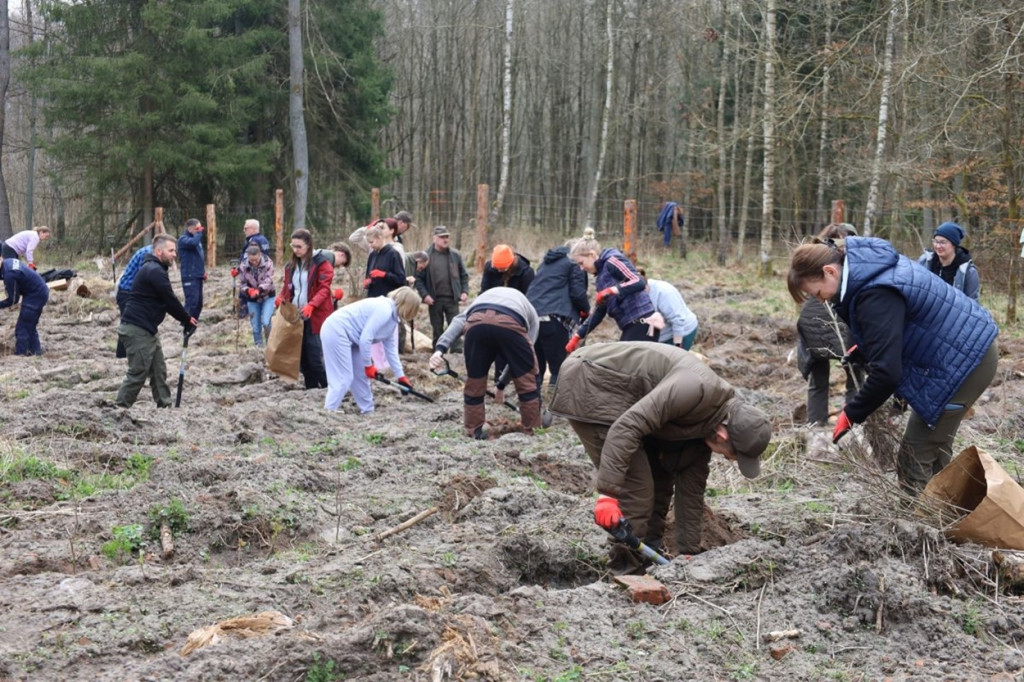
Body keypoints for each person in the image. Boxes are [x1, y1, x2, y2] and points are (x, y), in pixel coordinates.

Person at [787, 235, 999, 495]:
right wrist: (863, 348)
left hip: (965, 361)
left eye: (816, 292)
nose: (819, 300)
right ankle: (951, 513)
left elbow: (887, 372)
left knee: (916, 452)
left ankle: (918, 525)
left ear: (829, 271)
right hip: (958, 353)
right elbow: (894, 329)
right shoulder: (868, 270)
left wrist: (851, 413)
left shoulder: (873, 292)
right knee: (933, 446)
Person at [549, 342, 771, 574]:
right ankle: (625, 571)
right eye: (733, 456)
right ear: (723, 434)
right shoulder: (695, 389)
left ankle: (647, 554)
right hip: (592, 380)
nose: (728, 460)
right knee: (638, 487)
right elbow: (626, 428)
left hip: (624, 398)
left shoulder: (708, 426)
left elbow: (691, 491)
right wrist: (608, 495)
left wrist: (689, 553)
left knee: (661, 477)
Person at [429, 287, 541, 439]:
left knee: (474, 381)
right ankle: (532, 431)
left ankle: (474, 431)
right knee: (528, 380)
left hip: (477, 323)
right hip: (511, 322)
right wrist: (501, 385)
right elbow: (520, 364)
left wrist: (439, 350)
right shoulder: (532, 315)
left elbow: (458, 321)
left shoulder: (482, 298)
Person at [115, 235, 197, 407]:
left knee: (158, 370)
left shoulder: (156, 268)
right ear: (159, 251)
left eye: (175, 250)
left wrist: (185, 320)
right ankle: (119, 408)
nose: (175, 254)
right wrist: (186, 319)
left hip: (148, 329)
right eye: (171, 250)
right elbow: (170, 300)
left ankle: (165, 404)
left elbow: (166, 301)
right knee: (138, 371)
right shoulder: (154, 271)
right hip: (137, 329)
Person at [794, 224, 865, 426]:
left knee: (818, 380)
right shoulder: (847, 263)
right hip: (838, 330)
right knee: (855, 375)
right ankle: (853, 424)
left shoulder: (812, 262)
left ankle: (816, 425)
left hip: (815, 332)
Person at [321, 287, 422, 413]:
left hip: (352, 338)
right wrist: (368, 365)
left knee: (361, 377)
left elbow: (391, 351)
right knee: (343, 378)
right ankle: (328, 412)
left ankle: (368, 412)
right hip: (336, 330)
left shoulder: (392, 319)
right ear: (409, 307)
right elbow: (365, 339)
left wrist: (401, 376)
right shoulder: (384, 309)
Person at [525, 240, 590, 405]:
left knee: (536, 368)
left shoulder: (545, 264)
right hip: (554, 319)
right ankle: (554, 405)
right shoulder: (573, 264)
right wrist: (586, 311)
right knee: (558, 366)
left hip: (530, 318)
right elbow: (578, 294)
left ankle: (533, 404)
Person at [566, 237, 658, 350]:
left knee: (626, 365)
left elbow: (638, 281)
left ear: (592, 254)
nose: (581, 268)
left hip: (643, 321)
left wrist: (611, 290)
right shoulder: (600, 279)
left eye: (581, 263)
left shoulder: (612, 260)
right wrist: (578, 336)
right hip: (630, 325)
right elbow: (599, 311)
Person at [276, 228, 334, 389]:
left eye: (299, 247)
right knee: (302, 358)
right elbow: (288, 287)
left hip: (316, 316)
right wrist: (281, 297)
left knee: (316, 357)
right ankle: (311, 389)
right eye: (293, 246)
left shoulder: (321, 263)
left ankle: (330, 387)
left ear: (308, 245)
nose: (295, 250)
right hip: (297, 316)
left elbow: (324, 289)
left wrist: (311, 305)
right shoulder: (291, 265)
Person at [415, 226, 470, 347]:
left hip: (452, 298)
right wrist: (425, 295)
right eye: (442, 237)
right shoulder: (425, 256)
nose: (445, 240)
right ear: (434, 238)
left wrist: (465, 291)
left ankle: (457, 350)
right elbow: (418, 279)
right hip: (434, 300)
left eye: (447, 237)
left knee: (456, 326)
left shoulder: (455, 255)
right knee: (437, 328)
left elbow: (464, 276)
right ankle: (438, 351)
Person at [916, 221, 980, 300]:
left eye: (943, 242)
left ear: (954, 244)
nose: (938, 246)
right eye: (935, 241)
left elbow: (972, 305)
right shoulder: (924, 262)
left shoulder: (968, 272)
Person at [638, 269, 699, 350]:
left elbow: (678, 320)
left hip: (682, 332)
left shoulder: (663, 292)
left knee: (672, 360)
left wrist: (678, 347)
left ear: (646, 286)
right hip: (660, 334)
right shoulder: (631, 291)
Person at [0, 257, 50, 355]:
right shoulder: (7, 262)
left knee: (22, 328)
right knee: (29, 325)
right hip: (39, 290)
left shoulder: (9, 274)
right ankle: (36, 353)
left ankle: (19, 356)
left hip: (35, 295)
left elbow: (13, 299)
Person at [115, 244, 153, 358]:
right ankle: (123, 355)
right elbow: (145, 277)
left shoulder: (151, 252)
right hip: (127, 292)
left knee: (130, 324)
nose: (174, 254)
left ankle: (126, 354)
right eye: (171, 251)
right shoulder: (148, 254)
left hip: (130, 291)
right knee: (128, 325)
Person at [238, 244, 276, 348]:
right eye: (251, 260)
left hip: (268, 296)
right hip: (252, 299)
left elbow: (269, 280)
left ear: (260, 255)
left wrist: (259, 289)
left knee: (266, 321)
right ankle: (258, 347)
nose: (254, 262)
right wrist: (248, 290)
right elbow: (242, 283)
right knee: (255, 325)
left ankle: (270, 345)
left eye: (256, 260)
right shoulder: (243, 266)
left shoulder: (268, 263)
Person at [362, 224, 406, 298]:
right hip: (373, 298)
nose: (370, 245)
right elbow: (368, 276)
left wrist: (385, 275)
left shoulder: (393, 254)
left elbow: (401, 279)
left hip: (387, 299)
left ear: (380, 238)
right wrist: (367, 282)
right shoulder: (372, 255)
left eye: (371, 242)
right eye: (368, 243)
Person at [177, 218, 206, 320]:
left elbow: (199, 257)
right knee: (192, 302)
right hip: (189, 275)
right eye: (198, 228)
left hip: (198, 275)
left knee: (198, 303)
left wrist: (203, 271)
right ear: (191, 228)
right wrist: (198, 233)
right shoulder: (184, 240)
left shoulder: (196, 240)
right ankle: (186, 323)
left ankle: (193, 323)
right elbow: (193, 243)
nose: (200, 230)